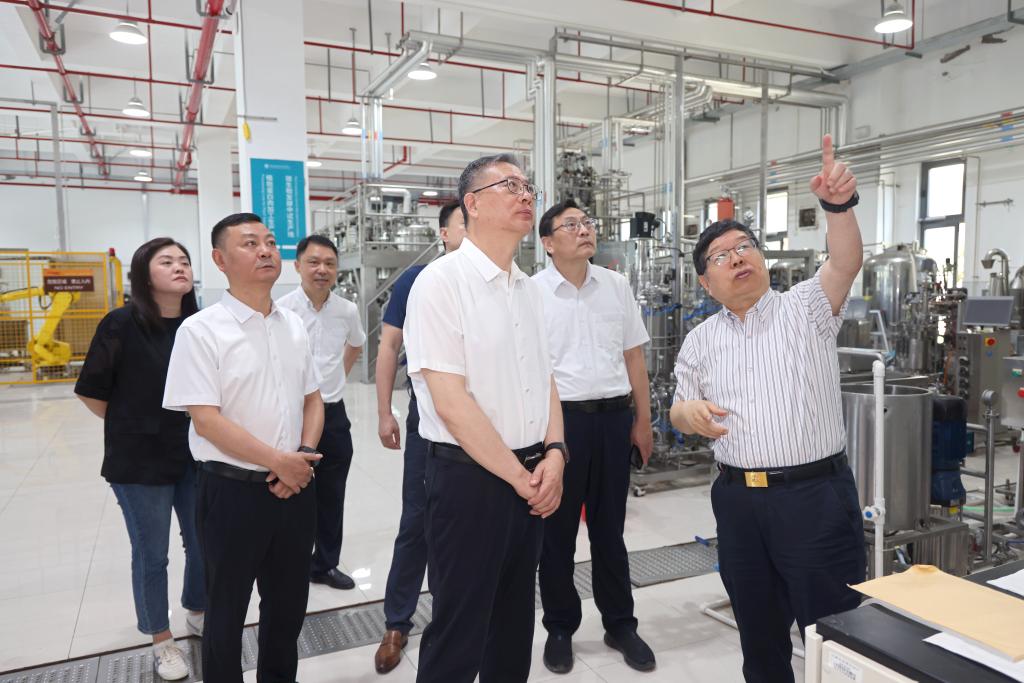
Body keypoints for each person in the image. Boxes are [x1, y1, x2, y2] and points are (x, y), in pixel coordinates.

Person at [670, 135, 866, 683]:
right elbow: (679, 410)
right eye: (721, 256)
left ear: (761, 258)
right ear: (706, 283)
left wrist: (838, 207)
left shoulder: (806, 306)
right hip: (738, 504)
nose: (737, 257)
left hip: (814, 499)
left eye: (745, 246)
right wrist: (690, 415)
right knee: (758, 639)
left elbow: (845, 260)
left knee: (835, 636)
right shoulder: (700, 340)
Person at [405, 154, 568, 683]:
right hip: (470, 481)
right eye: (510, 186)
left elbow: (545, 380)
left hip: (531, 476)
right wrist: (521, 477)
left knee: (514, 626)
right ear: (472, 204)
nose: (526, 195)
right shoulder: (440, 283)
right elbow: (450, 402)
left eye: (527, 186)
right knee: (459, 631)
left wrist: (556, 454)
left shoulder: (529, 289)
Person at [163, 213, 324, 683]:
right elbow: (206, 420)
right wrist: (279, 462)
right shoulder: (200, 330)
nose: (266, 250)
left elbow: (313, 399)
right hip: (231, 493)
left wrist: (300, 456)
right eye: (250, 243)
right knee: (226, 612)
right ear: (220, 260)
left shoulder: (293, 325)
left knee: (288, 609)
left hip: (295, 489)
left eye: (270, 242)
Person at [533, 199, 657, 675]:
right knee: (557, 534)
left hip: (613, 419)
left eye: (587, 222)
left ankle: (620, 624)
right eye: (571, 224)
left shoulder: (616, 285)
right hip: (561, 424)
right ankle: (560, 627)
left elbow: (633, 357)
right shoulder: (532, 293)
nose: (584, 229)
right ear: (548, 243)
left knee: (610, 531)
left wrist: (642, 421)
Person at [75, 237, 205, 681]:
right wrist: (134, 423)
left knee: (202, 541)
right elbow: (92, 392)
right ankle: (161, 640)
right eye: (166, 261)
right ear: (144, 275)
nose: (179, 267)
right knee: (152, 554)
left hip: (196, 453)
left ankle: (197, 610)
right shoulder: (121, 324)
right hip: (138, 460)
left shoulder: (200, 324)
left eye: (184, 260)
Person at [373, 200, 467, 674]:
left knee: (471, 523)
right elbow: (390, 345)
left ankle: (460, 616)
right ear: (443, 234)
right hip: (429, 419)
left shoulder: (498, 281)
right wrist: (383, 411)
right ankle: (397, 622)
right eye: (464, 225)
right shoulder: (416, 280)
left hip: (487, 422)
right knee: (417, 519)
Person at [277, 234, 366, 591]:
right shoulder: (281, 310)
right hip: (293, 416)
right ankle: (291, 565)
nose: (322, 270)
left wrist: (337, 377)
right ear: (297, 266)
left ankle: (325, 564)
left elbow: (356, 344)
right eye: (313, 262)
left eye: (329, 263)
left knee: (332, 493)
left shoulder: (347, 310)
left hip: (333, 415)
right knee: (291, 492)